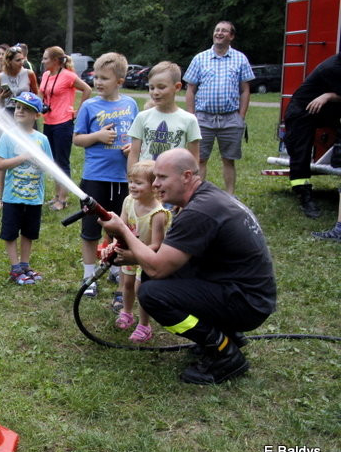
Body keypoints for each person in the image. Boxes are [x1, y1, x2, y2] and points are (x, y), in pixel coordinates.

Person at [100, 148, 276, 384]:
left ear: (186, 176)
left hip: (247, 303)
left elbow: (156, 268)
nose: (155, 184)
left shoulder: (200, 212)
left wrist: (122, 228)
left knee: (151, 292)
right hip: (241, 290)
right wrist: (132, 256)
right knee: (158, 280)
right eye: (154, 177)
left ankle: (224, 352)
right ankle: (225, 335)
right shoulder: (207, 197)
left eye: (162, 177)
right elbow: (169, 258)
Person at [73, 52, 135, 296]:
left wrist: (133, 147)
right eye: (95, 77)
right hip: (95, 178)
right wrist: (97, 137)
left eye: (104, 78)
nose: (98, 82)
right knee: (90, 230)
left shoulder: (130, 104)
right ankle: (89, 275)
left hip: (122, 179)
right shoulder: (89, 106)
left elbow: (136, 136)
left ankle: (113, 265)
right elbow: (77, 139)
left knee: (119, 229)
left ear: (119, 81)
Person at [183, 21, 254, 195]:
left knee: (229, 160)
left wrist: (241, 116)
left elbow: (245, 90)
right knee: (199, 160)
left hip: (230, 118)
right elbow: (190, 89)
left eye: (224, 31)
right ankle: (197, 196)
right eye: (217, 30)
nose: (219, 33)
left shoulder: (240, 58)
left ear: (231, 36)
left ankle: (229, 196)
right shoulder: (200, 58)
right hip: (203, 118)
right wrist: (192, 116)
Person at [0, 92, 53, 285]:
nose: (20, 111)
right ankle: (14, 268)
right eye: (18, 107)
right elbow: (0, 164)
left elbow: (50, 167)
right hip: (13, 197)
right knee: (10, 232)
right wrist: (25, 157)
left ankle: (25, 265)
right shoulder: (8, 136)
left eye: (26, 109)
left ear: (36, 115)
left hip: (34, 198)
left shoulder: (42, 140)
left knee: (29, 232)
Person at [112, 160, 171, 343]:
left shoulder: (158, 213)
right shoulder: (129, 201)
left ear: (153, 187)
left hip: (146, 256)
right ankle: (127, 313)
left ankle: (144, 325)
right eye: (131, 181)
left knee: (141, 289)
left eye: (138, 183)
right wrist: (115, 244)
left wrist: (137, 253)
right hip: (129, 253)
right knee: (127, 285)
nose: (132, 186)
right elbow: (120, 226)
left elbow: (157, 245)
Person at [282, 53, 341, 218]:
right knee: (301, 154)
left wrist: (327, 96)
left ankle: (338, 150)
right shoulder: (333, 68)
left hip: (321, 109)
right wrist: (329, 95)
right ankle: (303, 194)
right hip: (301, 112)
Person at [40, 46, 92, 211]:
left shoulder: (69, 76)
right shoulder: (47, 75)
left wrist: (78, 110)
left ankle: (63, 199)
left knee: (62, 161)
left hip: (63, 123)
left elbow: (87, 89)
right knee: (53, 161)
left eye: (46, 58)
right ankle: (56, 195)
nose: (43, 61)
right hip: (48, 121)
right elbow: (42, 94)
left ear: (55, 61)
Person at [127, 61, 202, 170]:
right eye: (151, 88)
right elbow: (134, 153)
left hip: (173, 179)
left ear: (177, 87)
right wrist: (132, 181)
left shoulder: (189, 120)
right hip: (146, 179)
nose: (155, 92)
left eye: (161, 87)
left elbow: (194, 158)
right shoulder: (142, 117)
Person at [0, 45, 39, 116]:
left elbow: (36, 94)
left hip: (25, 110)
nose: (22, 62)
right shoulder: (0, 78)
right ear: (9, 61)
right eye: (18, 60)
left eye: (22, 59)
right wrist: (2, 97)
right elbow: (0, 104)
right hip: (9, 112)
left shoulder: (29, 73)